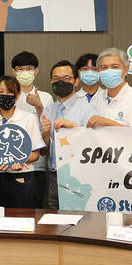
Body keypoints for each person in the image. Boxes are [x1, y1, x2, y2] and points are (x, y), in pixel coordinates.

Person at [41, 60, 96, 208]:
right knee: (52, 216)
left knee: (76, 216)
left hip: (77, 175)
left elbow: (95, 142)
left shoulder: (87, 109)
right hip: (53, 175)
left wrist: (75, 128)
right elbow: (44, 151)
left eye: (66, 78)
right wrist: (45, 134)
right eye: (56, 78)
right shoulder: (48, 111)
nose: (61, 82)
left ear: (76, 81)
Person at [0, 76, 45, 208]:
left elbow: (35, 154)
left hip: (22, 176)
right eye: (1, 92)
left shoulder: (28, 118)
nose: (4, 95)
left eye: (9, 92)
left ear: (17, 95)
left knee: (23, 217)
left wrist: (17, 160)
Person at [10, 51, 53, 204]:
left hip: (37, 165)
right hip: (10, 164)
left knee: (35, 208)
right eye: (20, 69)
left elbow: (47, 130)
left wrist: (39, 106)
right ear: (14, 72)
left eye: (28, 69)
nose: (24, 72)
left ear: (36, 71)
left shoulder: (46, 97)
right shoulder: (9, 96)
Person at [89, 48, 132, 128]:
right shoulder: (96, 99)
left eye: (115, 67)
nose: (109, 71)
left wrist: (109, 123)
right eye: (104, 67)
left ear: (126, 70)